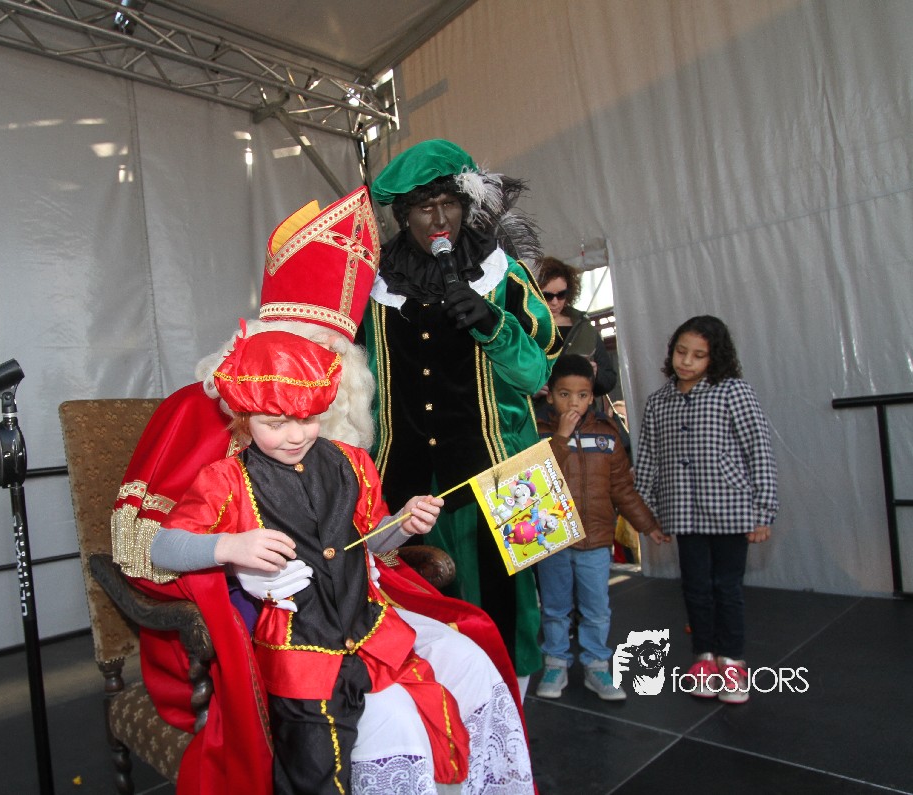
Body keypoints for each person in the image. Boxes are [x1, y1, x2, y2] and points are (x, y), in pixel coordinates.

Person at [111, 187, 533, 793]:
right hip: (257, 622)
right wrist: (237, 569)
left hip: (356, 602)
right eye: (277, 406)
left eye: (320, 373)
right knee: (377, 721)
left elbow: (364, 534)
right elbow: (146, 545)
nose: (295, 423)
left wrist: (396, 529)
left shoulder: (344, 455)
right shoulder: (199, 423)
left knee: (468, 660)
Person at [151, 329, 534, 794]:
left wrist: (403, 524)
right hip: (299, 649)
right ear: (242, 418)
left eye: (308, 418)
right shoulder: (225, 480)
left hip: (369, 626)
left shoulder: (351, 462)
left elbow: (374, 541)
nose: (296, 435)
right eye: (275, 423)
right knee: (320, 762)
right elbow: (162, 547)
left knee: (445, 686)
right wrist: (230, 549)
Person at [362, 139, 562, 691]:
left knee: (513, 607)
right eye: (425, 208)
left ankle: (514, 712)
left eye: (449, 204)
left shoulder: (505, 275)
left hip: (510, 472)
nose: (440, 219)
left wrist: (494, 326)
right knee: (420, 605)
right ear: (402, 216)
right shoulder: (372, 289)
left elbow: (536, 376)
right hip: (405, 480)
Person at [635, 315, 778, 704]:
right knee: (695, 588)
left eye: (698, 355)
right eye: (681, 352)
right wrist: (646, 515)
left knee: (726, 588)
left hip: (731, 508)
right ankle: (704, 657)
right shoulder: (658, 402)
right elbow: (647, 460)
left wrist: (763, 511)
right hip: (682, 511)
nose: (687, 361)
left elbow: (759, 450)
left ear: (715, 358)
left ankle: (732, 661)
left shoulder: (733, 392)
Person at [533, 354, 666, 701]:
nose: (573, 403)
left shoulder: (607, 435)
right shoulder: (539, 432)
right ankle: (555, 663)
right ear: (550, 396)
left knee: (596, 608)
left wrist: (647, 524)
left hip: (596, 540)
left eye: (581, 395)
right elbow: (535, 481)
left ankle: (596, 665)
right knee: (555, 608)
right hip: (553, 540)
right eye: (564, 394)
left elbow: (622, 488)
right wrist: (561, 438)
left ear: (591, 397)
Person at [535, 256, 618, 396]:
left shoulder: (583, 326)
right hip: (538, 409)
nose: (555, 302)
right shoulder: (522, 328)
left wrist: (595, 374)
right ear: (534, 294)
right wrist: (528, 392)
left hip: (580, 408)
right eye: (547, 296)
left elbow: (609, 380)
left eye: (561, 295)